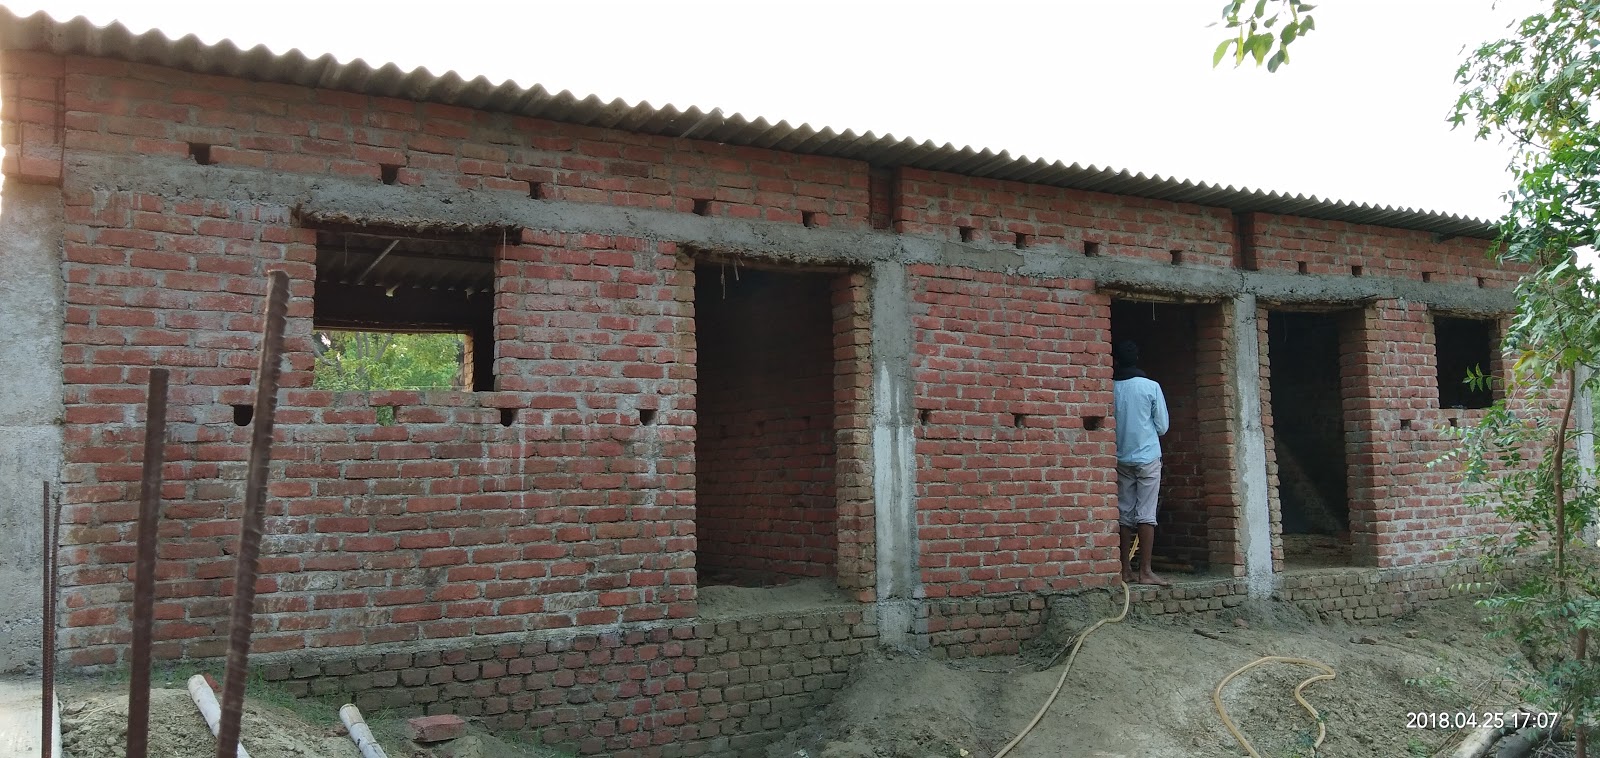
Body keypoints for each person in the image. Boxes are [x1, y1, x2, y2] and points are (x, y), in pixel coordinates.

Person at [1112, 339, 1171, 586]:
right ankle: (1145, 571)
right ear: (1137, 359)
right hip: (1147, 456)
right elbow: (1163, 427)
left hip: (1121, 457)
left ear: (1115, 361)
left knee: (1124, 513)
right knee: (1146, 513)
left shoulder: (1110, 388)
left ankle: (1124, 570)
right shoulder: (1151, 386)